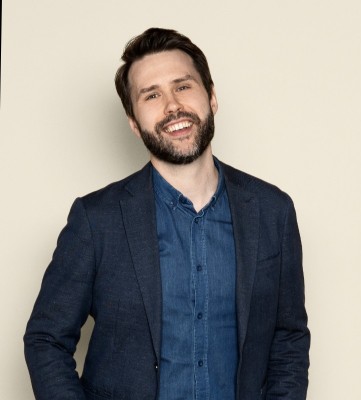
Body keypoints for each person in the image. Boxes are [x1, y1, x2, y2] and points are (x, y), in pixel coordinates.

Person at [24, 28, 310, 400]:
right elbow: (46, 339)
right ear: (133, 122)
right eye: (152, 95)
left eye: (183, 86)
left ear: (211, 97)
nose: (172, 106)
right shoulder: (96, 220)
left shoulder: (273, 211)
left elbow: (289, 338)